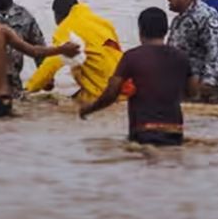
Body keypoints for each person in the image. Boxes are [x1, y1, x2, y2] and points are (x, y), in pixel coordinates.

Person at [80, 7, 190, 146]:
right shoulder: (181, 57)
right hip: (175, 132)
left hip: (143, 131)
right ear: (166, 30)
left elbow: (111, 93)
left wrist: (89, 109)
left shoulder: (131, 57)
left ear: (140, 30)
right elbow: (193, 91)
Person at [24, 0, 126, 102]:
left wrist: (29, 89)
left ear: (57, 15)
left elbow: (52, 63)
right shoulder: (103, 23)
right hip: (126, 87)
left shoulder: (67, 28)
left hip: (102, 94)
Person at [165, 0, 218, 103]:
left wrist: (207, 84)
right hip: (185, 84)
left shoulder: (205, 15)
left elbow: (214, 51)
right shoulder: (179, 19)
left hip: (204, 87)